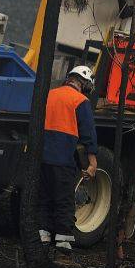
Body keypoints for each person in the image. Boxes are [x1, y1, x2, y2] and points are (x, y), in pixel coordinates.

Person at [41, 65, 100, 256]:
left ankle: (42, 235)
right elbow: (88, 135)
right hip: (63, 157)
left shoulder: (49, 94)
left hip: (42, 157)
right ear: (84, 83)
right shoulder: (80, 101)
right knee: (64, 199)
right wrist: (92, 163)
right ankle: (63, 241)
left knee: (44, 197)